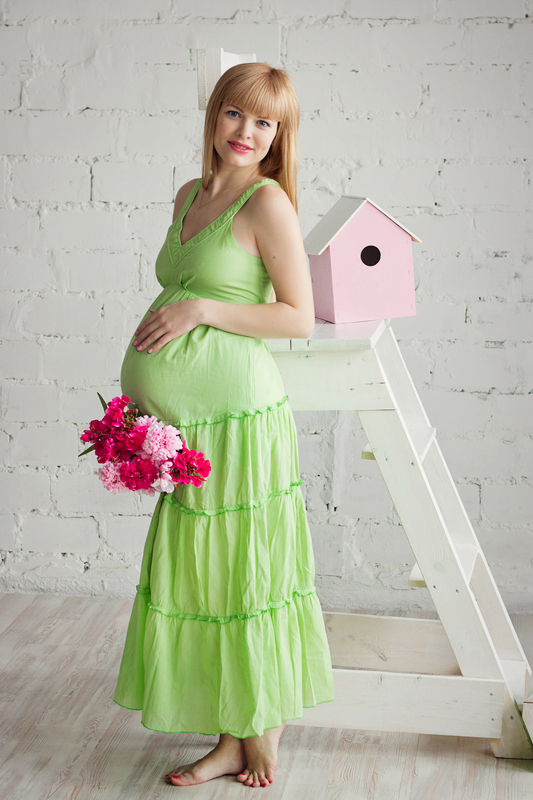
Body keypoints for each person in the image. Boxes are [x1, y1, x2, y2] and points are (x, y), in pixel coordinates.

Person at [112, 62, 335, 789]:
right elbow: (178, 287)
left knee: (245, 572)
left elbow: (298, 318)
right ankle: (230, 737)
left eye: (265, 122)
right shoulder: (189, 194)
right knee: (207, 577)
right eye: (236, 114)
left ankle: (259, 728)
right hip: (188, 427)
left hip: (238, 421)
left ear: (280, 135)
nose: (247, 132)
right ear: (214, 115)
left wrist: (202, 309)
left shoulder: (267, 203)